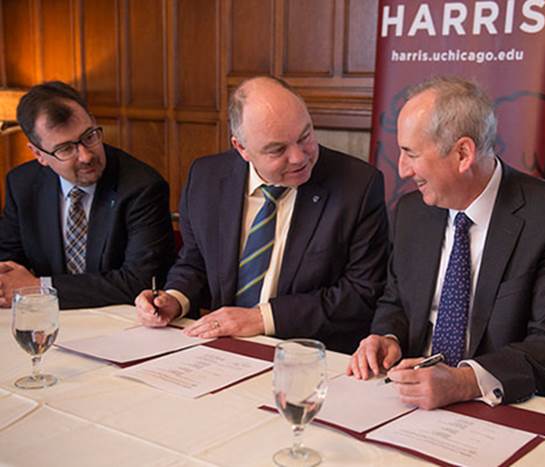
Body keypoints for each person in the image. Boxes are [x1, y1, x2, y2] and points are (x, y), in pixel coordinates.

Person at [347, 77, 545, 409]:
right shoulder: (412, 212)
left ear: (463, 153)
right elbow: (396, 302)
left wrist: (464, 382)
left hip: (513, 404)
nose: (402, 170)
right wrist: (387, 337)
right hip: (415, 400)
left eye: (411, 153)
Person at [134, 76, 389, 354]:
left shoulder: (358, 185)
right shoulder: (206, 177)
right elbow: (195, 262)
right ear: (241, 148)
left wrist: (260, 318)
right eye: (277, 149)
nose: (299, 157)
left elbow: (361, 292)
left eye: (305, 136)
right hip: (219, 349)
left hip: (306, 352)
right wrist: (173, 299)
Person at [0, 81, 174, 309]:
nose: (85, 156)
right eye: (65, 149)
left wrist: (41, 287)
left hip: (122, 324)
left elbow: (138, 282)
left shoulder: (142, 187)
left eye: (89, 136)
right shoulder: (22, 183)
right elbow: (8, 262)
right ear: (38, 154)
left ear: (92, 121)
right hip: (49, 320)